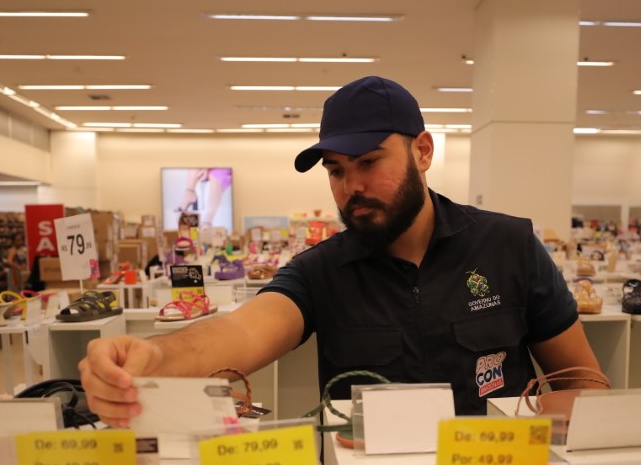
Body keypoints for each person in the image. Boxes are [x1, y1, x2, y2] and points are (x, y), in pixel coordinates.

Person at [80, 75, 601, 426]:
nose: (350, 185)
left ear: (422, 151)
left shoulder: (508, 246)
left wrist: (523, 429)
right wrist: (155, 356)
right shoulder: (320, 273)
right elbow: (241, 331)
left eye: (369, 162)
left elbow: (585, 383)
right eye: (335, 169)